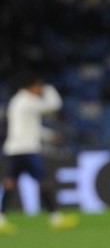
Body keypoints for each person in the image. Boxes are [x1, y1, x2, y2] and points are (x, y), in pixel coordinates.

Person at [1, 73, 79, 234]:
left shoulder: (18, 101)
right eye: (38, 87)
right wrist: (50, 89)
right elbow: (53, 106)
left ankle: (1, 220)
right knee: (43, 182)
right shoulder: (27, 101)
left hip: (14, 149)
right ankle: (56, 218)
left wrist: (49, 136)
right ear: (31, 87)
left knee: (10, 184)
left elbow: (30, 127)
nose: (40, 90)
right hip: (26, 149)